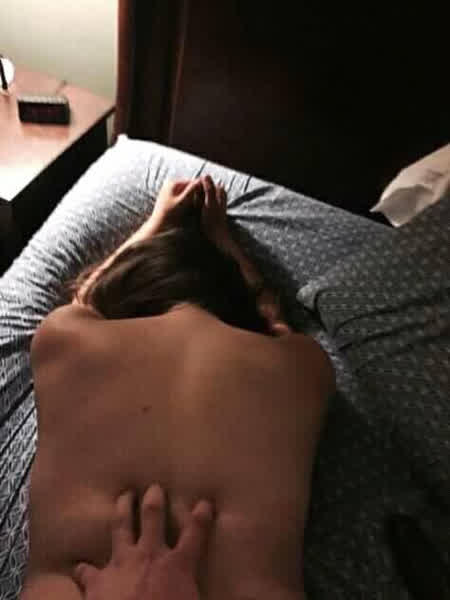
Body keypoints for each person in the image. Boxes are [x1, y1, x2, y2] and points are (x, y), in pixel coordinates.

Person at [22, 176, 335, 600]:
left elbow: (89, 295)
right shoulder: (302, 366)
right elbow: (271, 316)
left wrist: (158, 220)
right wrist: (223, 239)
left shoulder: (64, 339)